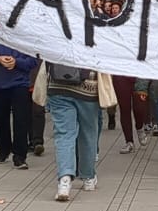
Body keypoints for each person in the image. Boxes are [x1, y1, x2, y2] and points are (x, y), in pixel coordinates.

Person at [42, 60, 109, 200]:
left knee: (64, 134)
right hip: (88, 88)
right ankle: (88, 178)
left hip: (57, 84)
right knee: (88, 133)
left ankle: (64, 180)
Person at [0, 40, 39, 168]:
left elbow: (33, 60)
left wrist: (17, 62)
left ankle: (20, 156)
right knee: (0, 119)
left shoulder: (25, 33)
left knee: (21, 120)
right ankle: (4, 149)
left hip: (20, 84)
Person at [110, 74, 141, 153]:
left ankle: (140, 127)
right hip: (120, 73)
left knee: (139, 107)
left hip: (138, 73)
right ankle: (129, 142)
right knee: (124, 108)